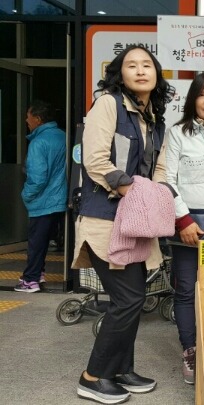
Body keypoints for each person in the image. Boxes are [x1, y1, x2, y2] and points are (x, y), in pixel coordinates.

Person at [72, 45, 174, 404]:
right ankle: (93, 376)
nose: (141, 70)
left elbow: (160, 168)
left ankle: (121, 370)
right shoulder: (108, 105)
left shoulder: (155, 120)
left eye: (147, 65)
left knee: (132, 297)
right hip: (105, 219)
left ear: (157, 75)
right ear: (120, 73)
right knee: (127, 299)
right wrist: (137, 191)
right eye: (132, 65)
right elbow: (95, 160)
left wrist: (159, 193)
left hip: (137, 222)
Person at [164, 72, 204, 385]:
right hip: (189, 228)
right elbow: (167, 180)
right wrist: (184, 220)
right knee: (187, 289)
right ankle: (190, 349)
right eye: (202, 95)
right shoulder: (179, 133)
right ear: (193, 100)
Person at [16, 100, 67, 293]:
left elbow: (37, 178)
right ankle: (38, 274)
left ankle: (31, 280)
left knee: (36, 243)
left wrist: (26, 194)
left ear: (38, 119)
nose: (26, 120)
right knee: (45, 241)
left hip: (43, 201)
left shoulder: (38, 142)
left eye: (28, 117)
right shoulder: (63, 136)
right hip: (59, 199)